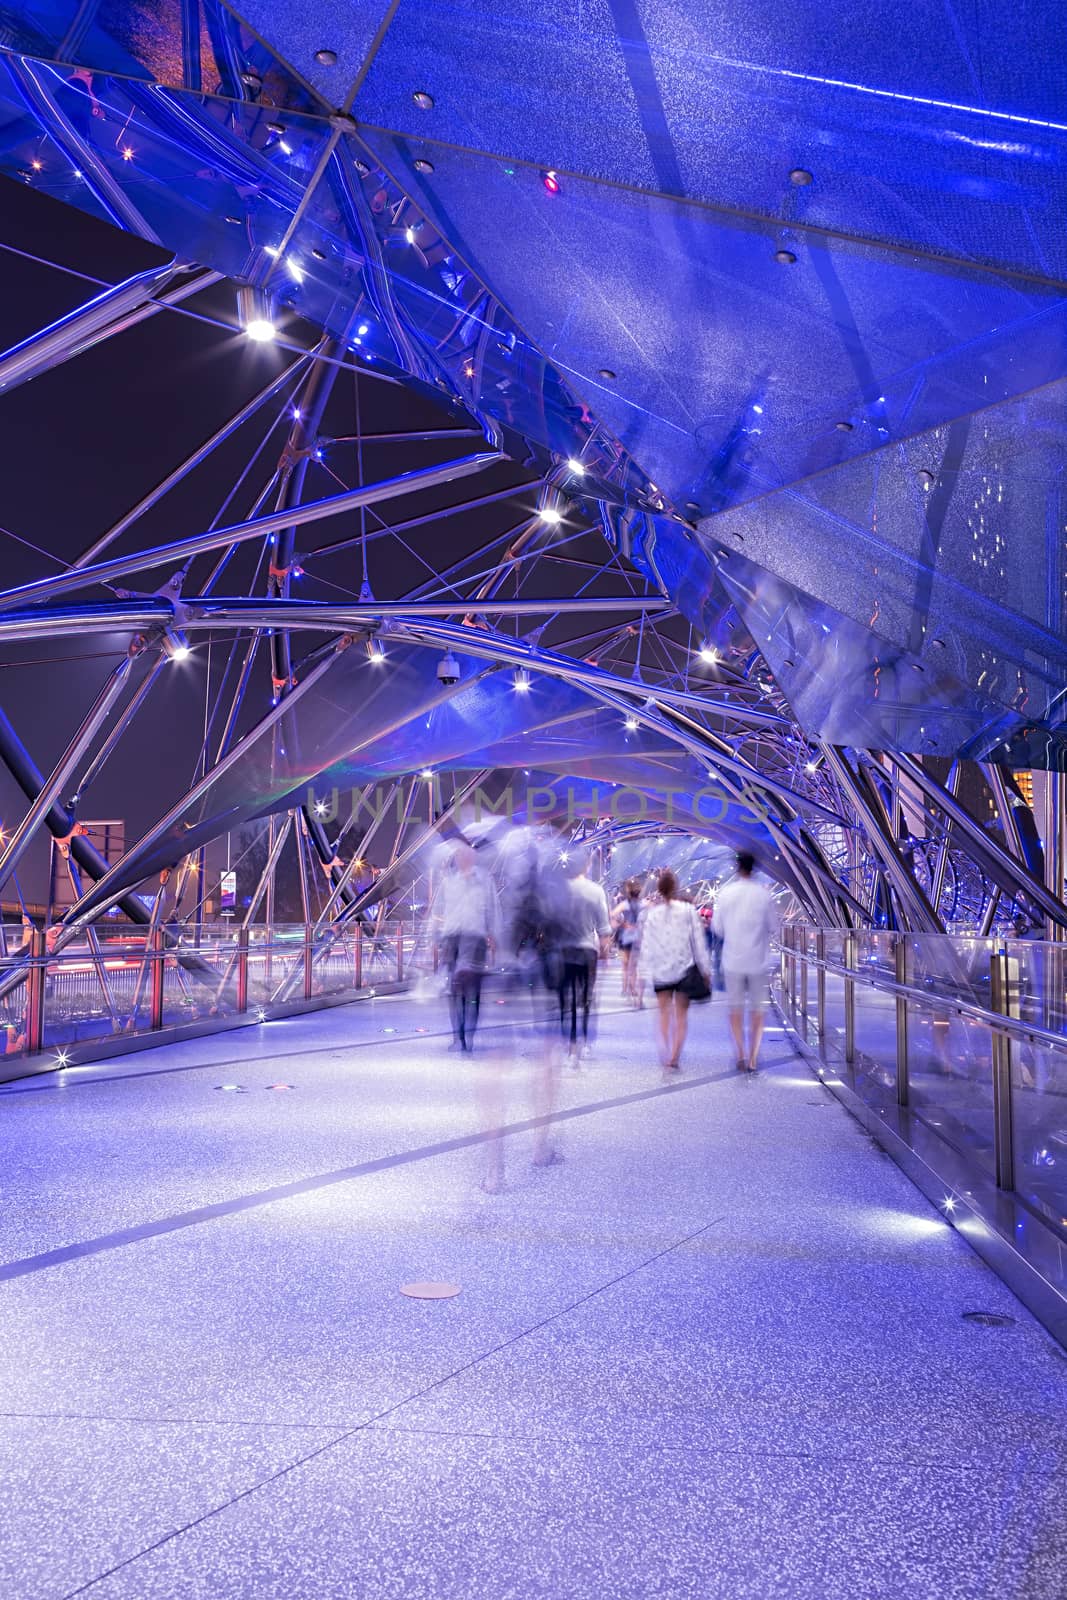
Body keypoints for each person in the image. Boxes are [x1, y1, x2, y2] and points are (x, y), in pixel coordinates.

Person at [637, 868, 711, 1071]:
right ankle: (675, 1056)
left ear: (659, 890)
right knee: (681, 1016)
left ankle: (665, 1050)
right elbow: (698, 942)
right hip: (684, 969)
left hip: (660, 970)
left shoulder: (653, 914)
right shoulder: (688, 911)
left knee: (663, 1014)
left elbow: (646, 944)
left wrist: (642, 972)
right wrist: (705, 969)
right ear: (676, 888)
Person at [712, 851, 779, 1072]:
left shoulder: (726, 894)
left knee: (735, 1008)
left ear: (737, 868)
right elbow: (774, 927)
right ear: (754, 869)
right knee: (758, 1010)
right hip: (758, 960)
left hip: (733, 961)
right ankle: (753, 1057)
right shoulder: (764, 895)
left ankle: (740, 1053)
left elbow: (718, 928)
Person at [436, 841, 494, 1052]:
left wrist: (495, 938)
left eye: (465, 855)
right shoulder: (448, 883)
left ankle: (468, 1033)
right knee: (455, 991)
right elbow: (438, 911)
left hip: (476, 939)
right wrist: (437, 940)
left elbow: (493, 910)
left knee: (473, 992)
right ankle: (458, 1035)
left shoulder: (485, 881)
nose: (462, 859)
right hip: (453, 939)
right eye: (459, 856)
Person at [559, 854, 611, 1064]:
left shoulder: (560, 890)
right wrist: (605, 952)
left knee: (568, 997)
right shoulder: (596, 890)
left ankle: (570, 1043)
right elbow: (604, 927)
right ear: (587, 866)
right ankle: (585, 1040)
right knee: (587, 997)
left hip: (564, 949)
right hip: (588, 949)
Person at [611, 878, 645, 1008]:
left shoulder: (624, 904)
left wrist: (623, 924)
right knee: (634, 967)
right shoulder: (643, 904)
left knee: (624, 966)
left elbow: (613, 914)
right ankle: (633, 988)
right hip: (637, 937)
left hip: (625, 937)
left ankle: (624, 988)